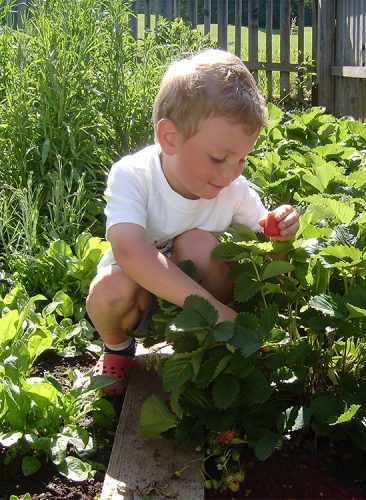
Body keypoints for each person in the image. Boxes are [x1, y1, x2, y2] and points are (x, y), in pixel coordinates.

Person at [86, 49, 299, 396]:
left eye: (243, 159)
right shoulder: (133, 176)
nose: (232, 173)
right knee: (108, 293)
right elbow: (129, 250)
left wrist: (281, 230)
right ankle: (118, 348)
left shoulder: (233, 188)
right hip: (138, 290)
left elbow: (267, 251)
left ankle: (202, 343)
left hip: (201, 297)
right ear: (170, 138)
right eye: (219, 158)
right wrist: (221, 314)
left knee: (201, 245)